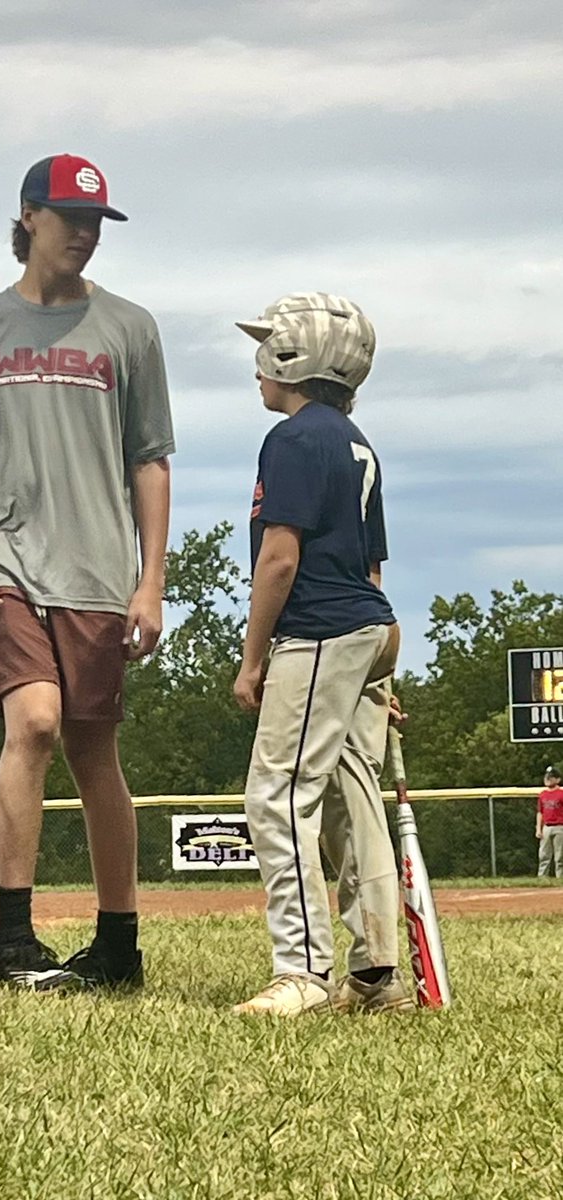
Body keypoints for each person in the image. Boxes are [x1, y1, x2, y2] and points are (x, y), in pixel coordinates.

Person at [0, 154, 175, 991]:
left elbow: (150, 461)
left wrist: (151, 579)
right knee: (32, 721)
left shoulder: (129, 329)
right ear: (27, 216)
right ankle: (13, 937)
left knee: (93, 747)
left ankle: (117, 944)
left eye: (96, 221)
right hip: (5, 562)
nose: (84, 234)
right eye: (68, 217)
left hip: (99, 570)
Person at [230, 292, 414, 1017]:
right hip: (366, 627)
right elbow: (371, 568)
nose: (256, 368)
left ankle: (301, 971)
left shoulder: (295, 439)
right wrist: (373, 673)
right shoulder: (356, 440)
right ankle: (375, 975)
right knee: (350, 798)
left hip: (317, 631)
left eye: (266, 349)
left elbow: (279, 558)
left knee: (276, 796)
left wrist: (253, 659)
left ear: (292, 357)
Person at [536, 766, 563, 879]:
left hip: (560, 826)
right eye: (547, 777)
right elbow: (540, 812)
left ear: (558, 780)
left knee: (560, 856)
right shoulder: (543, 794)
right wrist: (538, 828)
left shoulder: (561, 793)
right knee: (544, 854)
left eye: (551, 777)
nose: (548, 779)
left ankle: (560, 878)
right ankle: (542, 878)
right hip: (546, 827)